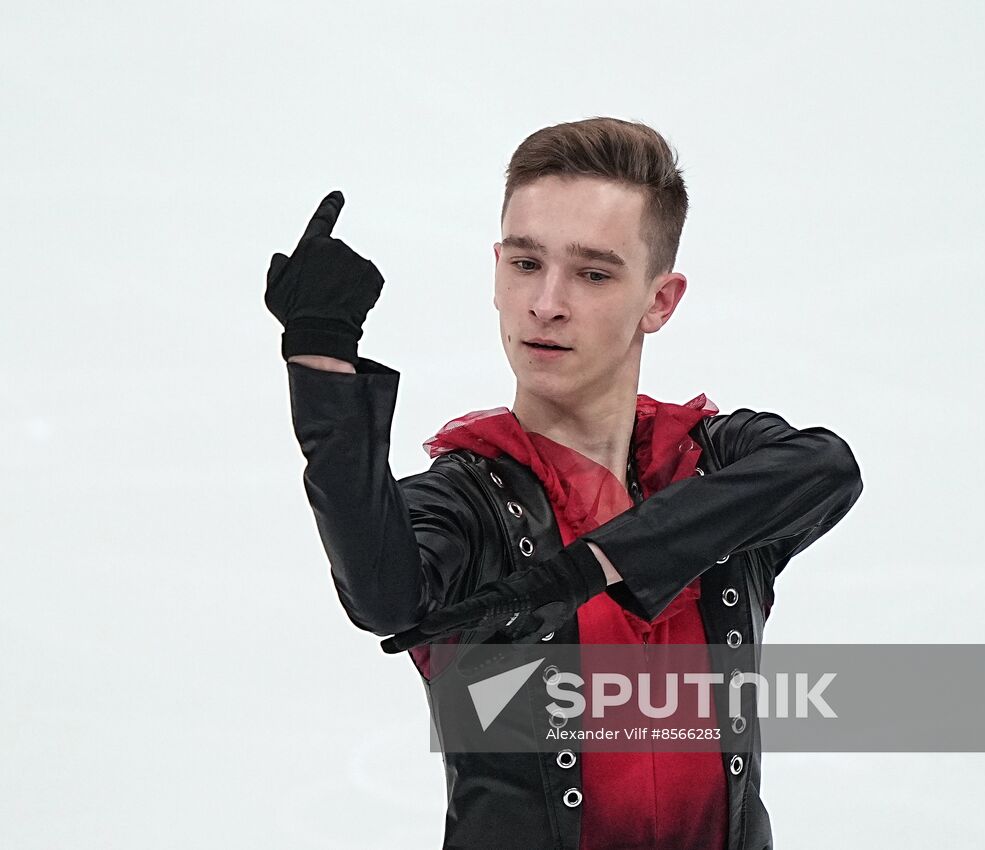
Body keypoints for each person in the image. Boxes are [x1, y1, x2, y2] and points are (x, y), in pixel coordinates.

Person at [266, 117, 863, 850]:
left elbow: (827, 468)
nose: (546, 303)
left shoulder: (709, 463)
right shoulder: (470, 501)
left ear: (660, 300)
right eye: (525, 264)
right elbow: (385, 594)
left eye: (593, 273)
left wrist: (602, 561)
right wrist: (323, 363)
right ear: (496, 272)